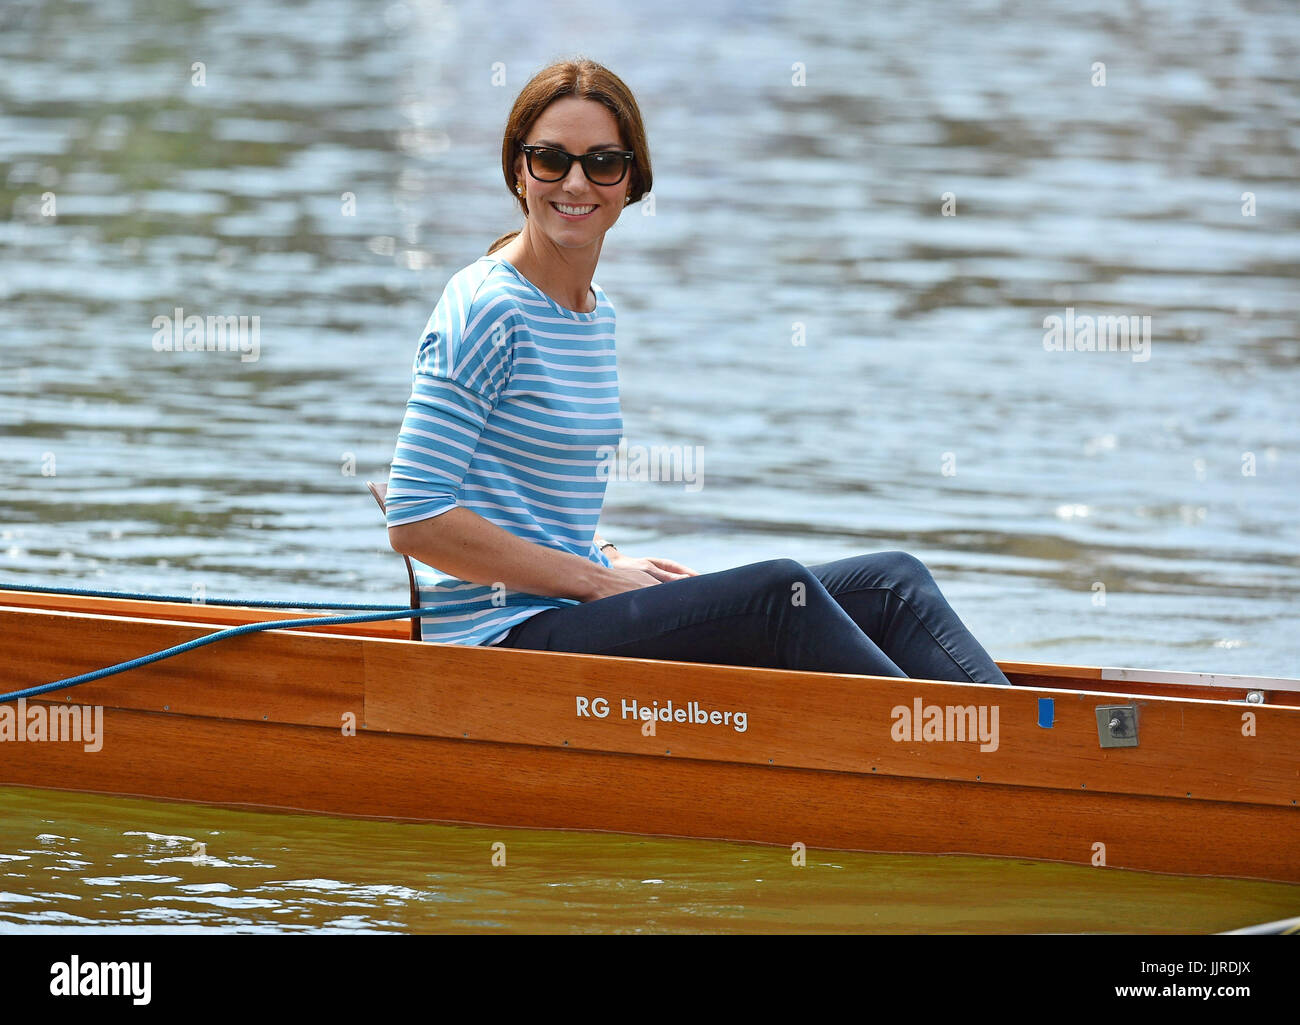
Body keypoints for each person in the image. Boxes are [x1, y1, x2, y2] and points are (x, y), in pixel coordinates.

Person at [386, 57, 1011, 686]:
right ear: (519, 170)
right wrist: (599, 580)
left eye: (602, 162)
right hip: (498, 643)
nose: (575, 183)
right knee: (779, 593)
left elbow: (529, 498)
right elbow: (415, 515)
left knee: (892, 582)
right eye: (552, 159)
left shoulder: (593, 314)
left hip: (568, 606)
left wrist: (611, 558)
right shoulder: (485, 307)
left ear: (631, 181)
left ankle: (1021, 744)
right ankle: (951, 758)